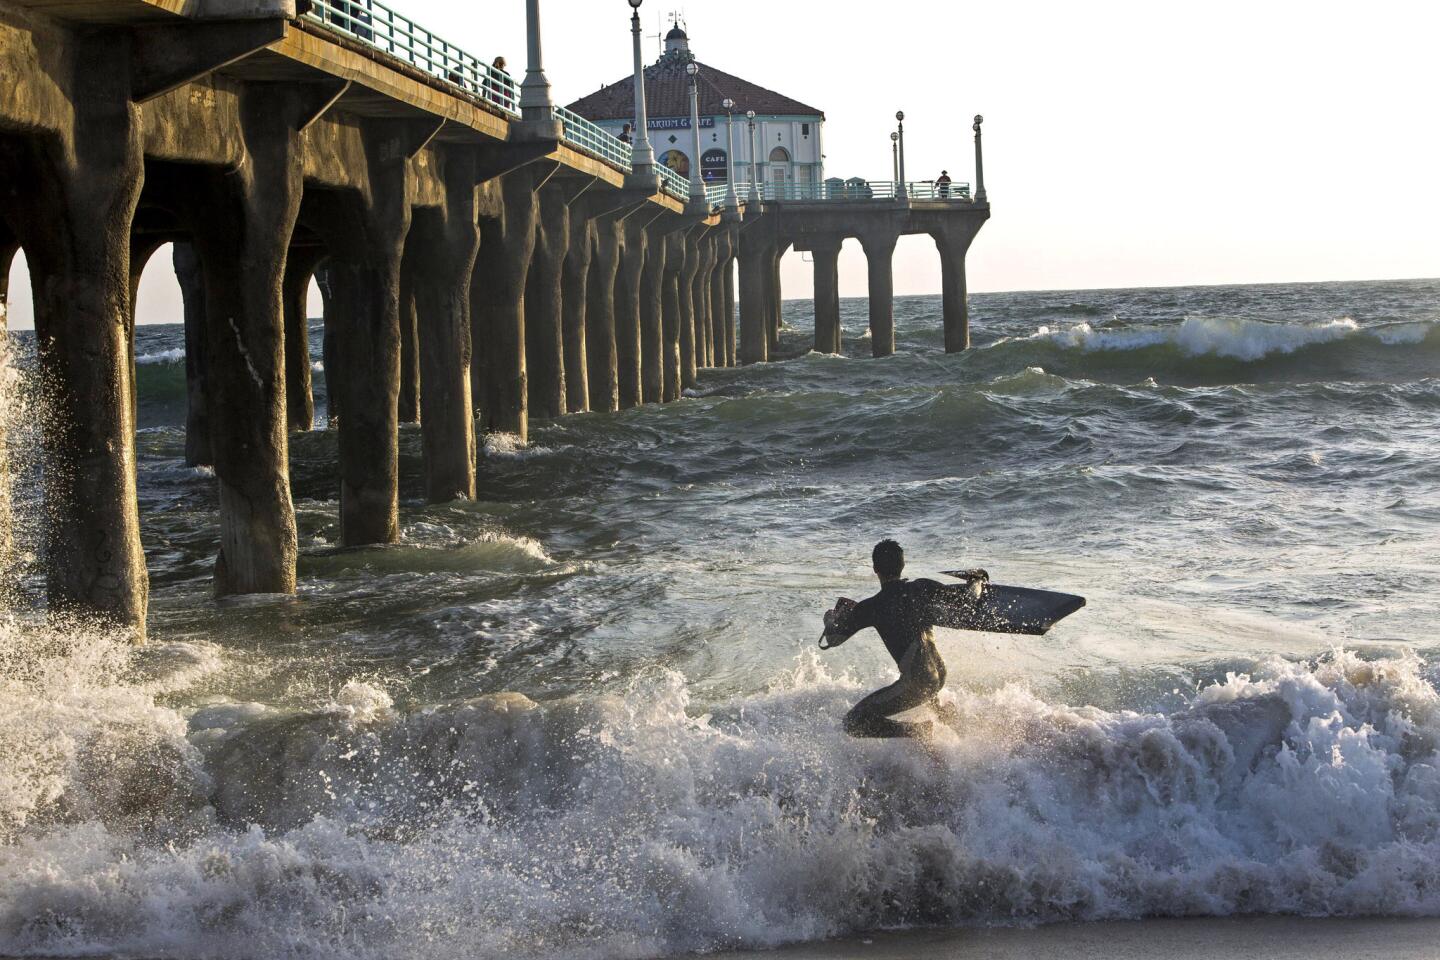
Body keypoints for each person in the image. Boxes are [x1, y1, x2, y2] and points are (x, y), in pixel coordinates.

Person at [820, 540, 985, 739]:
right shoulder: (922, 587)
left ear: (875, 569)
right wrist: (977, 581)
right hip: (940, 674)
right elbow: (967, 599)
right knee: (918, 665)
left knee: (853, 722)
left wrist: (830, 620)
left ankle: (920, 732)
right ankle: (943, 713)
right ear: (903, 565)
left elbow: (833, 639)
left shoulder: (873, 606)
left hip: (918, 682)